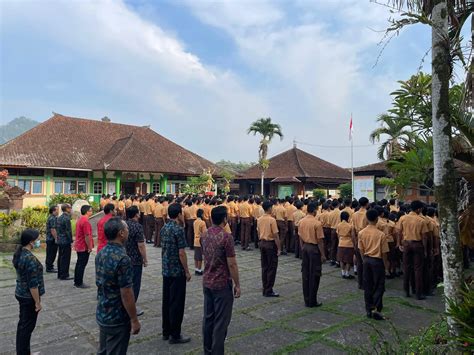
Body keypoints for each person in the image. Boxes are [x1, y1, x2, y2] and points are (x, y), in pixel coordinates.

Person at [96, 217, 141, 355]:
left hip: (103, 311)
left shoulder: (101, 253)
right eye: (126, 229)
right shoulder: (123, 259)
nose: (128, 231)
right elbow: (126, 293)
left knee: (103, 350)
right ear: (121, 233)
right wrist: (134, 319)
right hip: (117, 317)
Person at [201, 205, 241, 355]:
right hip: (221, 283)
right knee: (220, 322)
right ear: (224, 219)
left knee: (208, 318)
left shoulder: (205, 234)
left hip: (207, 281)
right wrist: (237, 284)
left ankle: (207, 350)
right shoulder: (226, 237)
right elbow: (232, 263)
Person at [160, 203, 192, 344]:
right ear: (179, 214)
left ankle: (166, 331)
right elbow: (181, 253)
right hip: (177, 271)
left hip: (166, 269)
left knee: (166, 301)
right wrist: (187, 270)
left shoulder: (164, 227)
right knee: (177, 303)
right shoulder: (178, 230)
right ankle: (175, 334)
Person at [13, 229, 45, 355]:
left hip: (20, 292)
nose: (38, 241)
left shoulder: (20, 253)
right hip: (28, 297)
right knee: (26, 328)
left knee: (23, 326)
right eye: (37, 239)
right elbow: (33, 285)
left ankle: (24, 351)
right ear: (31, 242)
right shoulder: (30, 259)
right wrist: (37, 302)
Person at [358, 209, 389, 320]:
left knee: (368, 285)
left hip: (366, 260)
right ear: (377, 219)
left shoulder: (361, 233)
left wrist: (363, 260)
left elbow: (361, 249)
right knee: (379, 286)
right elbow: (384, 252)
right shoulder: (381, 235)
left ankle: (368, 309)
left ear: (366, 219)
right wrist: (385, 266)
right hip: (377, 261)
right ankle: (376, 309)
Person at [399, 200, 430, 300]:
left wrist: (399, 243)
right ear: (419, 209)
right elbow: (424, 236)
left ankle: (406, 291)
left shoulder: (403, 218)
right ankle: (418, 293)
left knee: (406, 268)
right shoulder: (421, 220)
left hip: (406, 243)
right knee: (418, 269)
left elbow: (399, 232)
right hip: (417, 245)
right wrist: (425, 250)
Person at [298, 202, 326, 307]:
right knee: (314, 274)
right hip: (314, 249)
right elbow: (320, 241)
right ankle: (312, 301)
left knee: (305, 274)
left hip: (305, 247)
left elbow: (300, 237)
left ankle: (307, 299)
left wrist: (302, 248)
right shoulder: (317, 223)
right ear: (314, 210)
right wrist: (323, 255)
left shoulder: (301, 222)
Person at [125, 206, 148, 316]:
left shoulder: (123, 225)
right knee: (135, 284)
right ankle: (132, 307)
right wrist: (145, 258)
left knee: (126, 283)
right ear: (136, 214)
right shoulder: (137, 227)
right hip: (135, 259)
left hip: (124, 257)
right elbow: (141, 245)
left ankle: (125, 305)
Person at [257, 201, 281, 297]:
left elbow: (258, 233)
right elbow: (275, 235)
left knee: (264, 267)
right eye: (272, 207)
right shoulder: (272, 220)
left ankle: (265, 288)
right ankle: (269, 290)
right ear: (270, 208)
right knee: (272, 267)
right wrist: (279, 248)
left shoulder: (259, 219)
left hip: (262, 243)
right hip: (270, 245)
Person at [73, 205, 93, 288]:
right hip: (83, 246)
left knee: (79, 264)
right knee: (81, 264)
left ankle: (77, 281)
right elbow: (87, 235)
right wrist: (89, 247)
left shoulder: (80, 219)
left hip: (79, 245)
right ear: (87, 211)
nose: (92, 212)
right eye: (91, 210)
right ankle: (79, 282)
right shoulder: (86, 221)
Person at [352, 197, 370, 289]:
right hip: (367, 238)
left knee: (359, 262)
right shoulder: (367, 214)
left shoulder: (354, 214)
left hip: (357, 237)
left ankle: (360, 283)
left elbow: (352, 229)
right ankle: (367, 282)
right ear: (367, 204)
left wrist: (354, 241)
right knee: (366, 261)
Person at [336, 211, 355, 279]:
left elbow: (338, 235)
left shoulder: (338, 225)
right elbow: (353, 236)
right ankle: (347, 273)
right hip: (349, 244)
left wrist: (340, 241)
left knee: (341, 259)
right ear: (348, 217)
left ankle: (342, 272)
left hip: (341, 243)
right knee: (348, 259)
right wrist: (354, 244)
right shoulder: (350, 226)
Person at [56, 203, 73, 280]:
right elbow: (68, 231)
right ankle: (64, 275)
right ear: (67, 209)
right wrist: (71, 240)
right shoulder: (67, 218)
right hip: (65, 241)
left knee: (60, 257)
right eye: (70, 207)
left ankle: (60, 274)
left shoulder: (59, 217)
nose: (71, 209)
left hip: (60, 240)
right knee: (65, 259)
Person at [45, 205, 59, 273]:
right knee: (51, 253)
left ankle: (50, 266)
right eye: (57, 210)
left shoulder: (52, 217)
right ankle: (49, 267)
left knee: (51, 253)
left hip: (50, 239)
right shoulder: (52, 218)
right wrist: (56, 238)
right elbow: (53, 229)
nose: (58, 211)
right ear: (53, 211)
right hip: (51, 239)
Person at [194, 209, 207, 275]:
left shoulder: (195, 221)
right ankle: (199, 269)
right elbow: (204, 232)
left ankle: (196, 268)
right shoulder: (202, 222)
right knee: (199, 256)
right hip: (200, 240)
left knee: (196, 255)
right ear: (202, 214)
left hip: (195, 239)